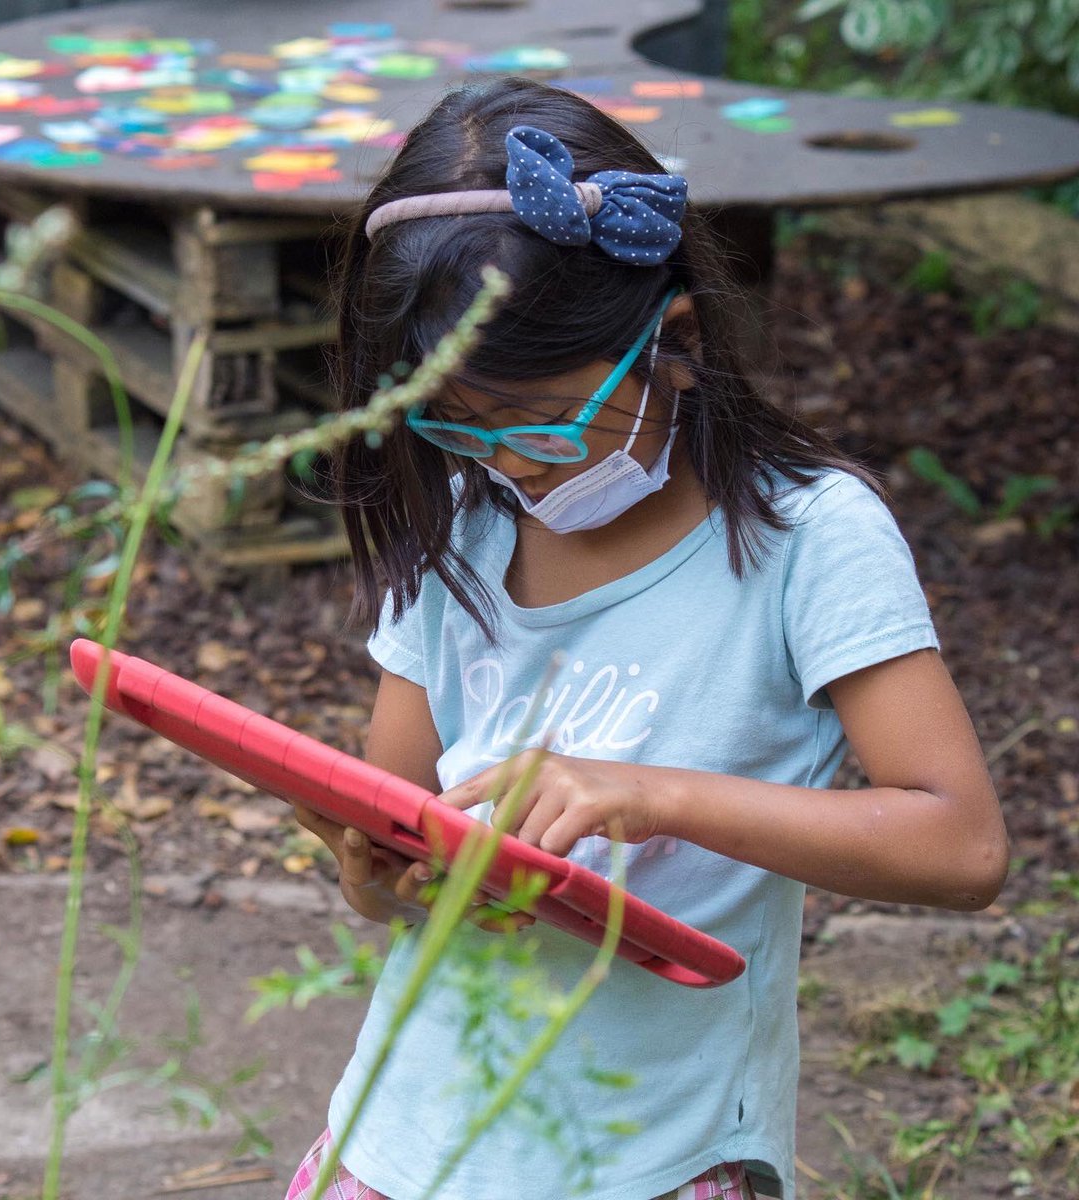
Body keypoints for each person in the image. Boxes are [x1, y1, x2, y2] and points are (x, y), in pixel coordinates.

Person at [286, 77, 1009, 1200]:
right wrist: (376, 871)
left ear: (671, 340)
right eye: (460, 426)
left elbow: (960, 848)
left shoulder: (806, 541)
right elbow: (403, 854)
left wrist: (653, 797)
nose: (512, 464)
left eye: (550, 421)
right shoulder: (463, 532)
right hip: (403, 1143)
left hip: (655, 1157)